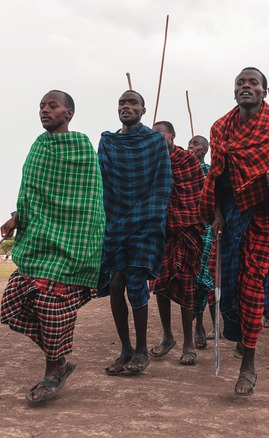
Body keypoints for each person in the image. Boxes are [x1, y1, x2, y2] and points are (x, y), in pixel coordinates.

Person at [200, 67, 269, 395]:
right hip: (231, 215)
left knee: (252, 286)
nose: (246, 87)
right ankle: (240, 336)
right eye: (240, 83)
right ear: (234, 91)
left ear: (264, 91)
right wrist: (217, 213)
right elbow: (218, 177)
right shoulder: (220, 127)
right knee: (228, 285)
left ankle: (248, 364)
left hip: (264, 215)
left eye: (253, 83)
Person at [0, 90, 105, 403]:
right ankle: (60, 360)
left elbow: (88, 200)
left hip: (71, 244)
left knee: (50, 303)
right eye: (41, 106)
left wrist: (84, 239)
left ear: (69, 113)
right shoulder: (39, 146)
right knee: (12, 303)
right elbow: (32, 192)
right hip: (40, 241)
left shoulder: (82, 147)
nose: (45, 110)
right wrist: (17, 217)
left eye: (52, 105)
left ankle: (51, 372)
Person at [98, 90, 172, 376]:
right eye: (121, 102)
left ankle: (142, 350)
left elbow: (162, 183)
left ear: (143, 110)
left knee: (136, 282)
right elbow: (99, 180)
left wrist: (152, 218)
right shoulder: (108, 142)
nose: (126, 106)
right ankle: (125, 348)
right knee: (116, 283)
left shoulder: (154, 142)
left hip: (145, 222)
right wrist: (104, 217)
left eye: (132, 103)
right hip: (115, 221)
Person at [149, 121, 206, 366]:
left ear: (172, 135)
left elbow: (199, 194)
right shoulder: (150, 161)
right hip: (161, 231)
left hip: (187, 229)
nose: (158, 139)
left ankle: (188, 343)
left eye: (161, 135)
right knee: (160, 284)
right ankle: (167, 336)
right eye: (153, 136)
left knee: (187, 286)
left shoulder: (187, 160)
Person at [188, 135, 216, 349]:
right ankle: (196, 326)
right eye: (190, 143)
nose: (191, 146)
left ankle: (202, 325)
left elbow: (216, 201)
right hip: (187, 227)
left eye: (196, 144)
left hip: (206, 229)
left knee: (204, 278)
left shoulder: (209, 172)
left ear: (205, 150)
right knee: (190, 279)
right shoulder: (181, 170)